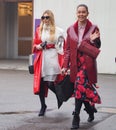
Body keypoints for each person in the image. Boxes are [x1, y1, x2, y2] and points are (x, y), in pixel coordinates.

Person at [62, 4, 101, 129]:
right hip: (75, 64)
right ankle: (89, 109)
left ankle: (76, 116)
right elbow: (67, 50)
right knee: (82, 89)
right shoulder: (70, 29)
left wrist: (95, 40)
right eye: (79, 12)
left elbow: (97, 47)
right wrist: (65, 65)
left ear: (87, 13)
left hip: (87, 64)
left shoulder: (93, 27)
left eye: (84, 12)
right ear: (76, 13)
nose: (81, 14)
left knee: (79, 86)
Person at [32, 10, 65, 116]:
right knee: (41, 84)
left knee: (50, 83)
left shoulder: (58, 31)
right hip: (42, 58)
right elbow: (35, 44)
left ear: (51, 18)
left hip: (53, 58)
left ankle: (60, 96)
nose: (45, 19)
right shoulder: (39, 30)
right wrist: (39, 46)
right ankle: (43, 106)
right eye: (43, 17)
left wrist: (64, 62)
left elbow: (61, 47)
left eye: (47, 17)